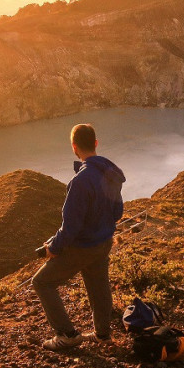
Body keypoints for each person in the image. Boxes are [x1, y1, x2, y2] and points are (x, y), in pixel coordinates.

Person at [31, 123, 126, 350]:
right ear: (95, 143)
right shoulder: (110, 174)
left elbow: (71, 227)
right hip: (104, 242)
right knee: (99, 285)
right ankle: (103, 335)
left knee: (42, 282)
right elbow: (117, 213)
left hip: (84, 247)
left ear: (74, 147)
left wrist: (52, 247)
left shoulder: (80, 182)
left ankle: (67, 335)